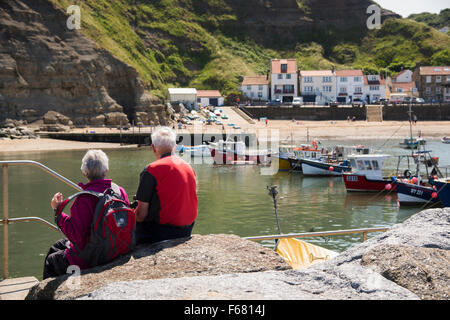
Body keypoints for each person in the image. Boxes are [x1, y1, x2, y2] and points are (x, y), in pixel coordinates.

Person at [44, 150, 129, 279]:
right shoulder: (118, 191)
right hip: (116, 248)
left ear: (84, 173)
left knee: (51, 260)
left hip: (91, 257)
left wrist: (58, 211)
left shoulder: (84, 199)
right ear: (106, 170)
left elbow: (76, 235)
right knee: (56, 246)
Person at [134, 126, 198, 244]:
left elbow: (141, 215)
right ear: (174, 146)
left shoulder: (151, 170)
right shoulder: (189, 167)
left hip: (161, 232)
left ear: (153, 148)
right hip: (187, 230)